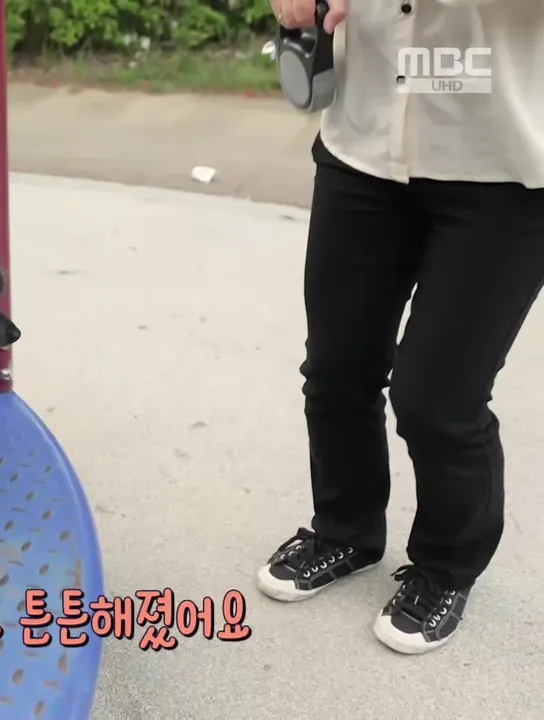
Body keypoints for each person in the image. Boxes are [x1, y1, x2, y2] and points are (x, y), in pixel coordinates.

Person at [255, 0, 544, 655]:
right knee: (337, 369)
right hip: (363, 146)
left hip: (502, 166)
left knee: (439, 401)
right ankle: (345, 530)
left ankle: (446, 566)